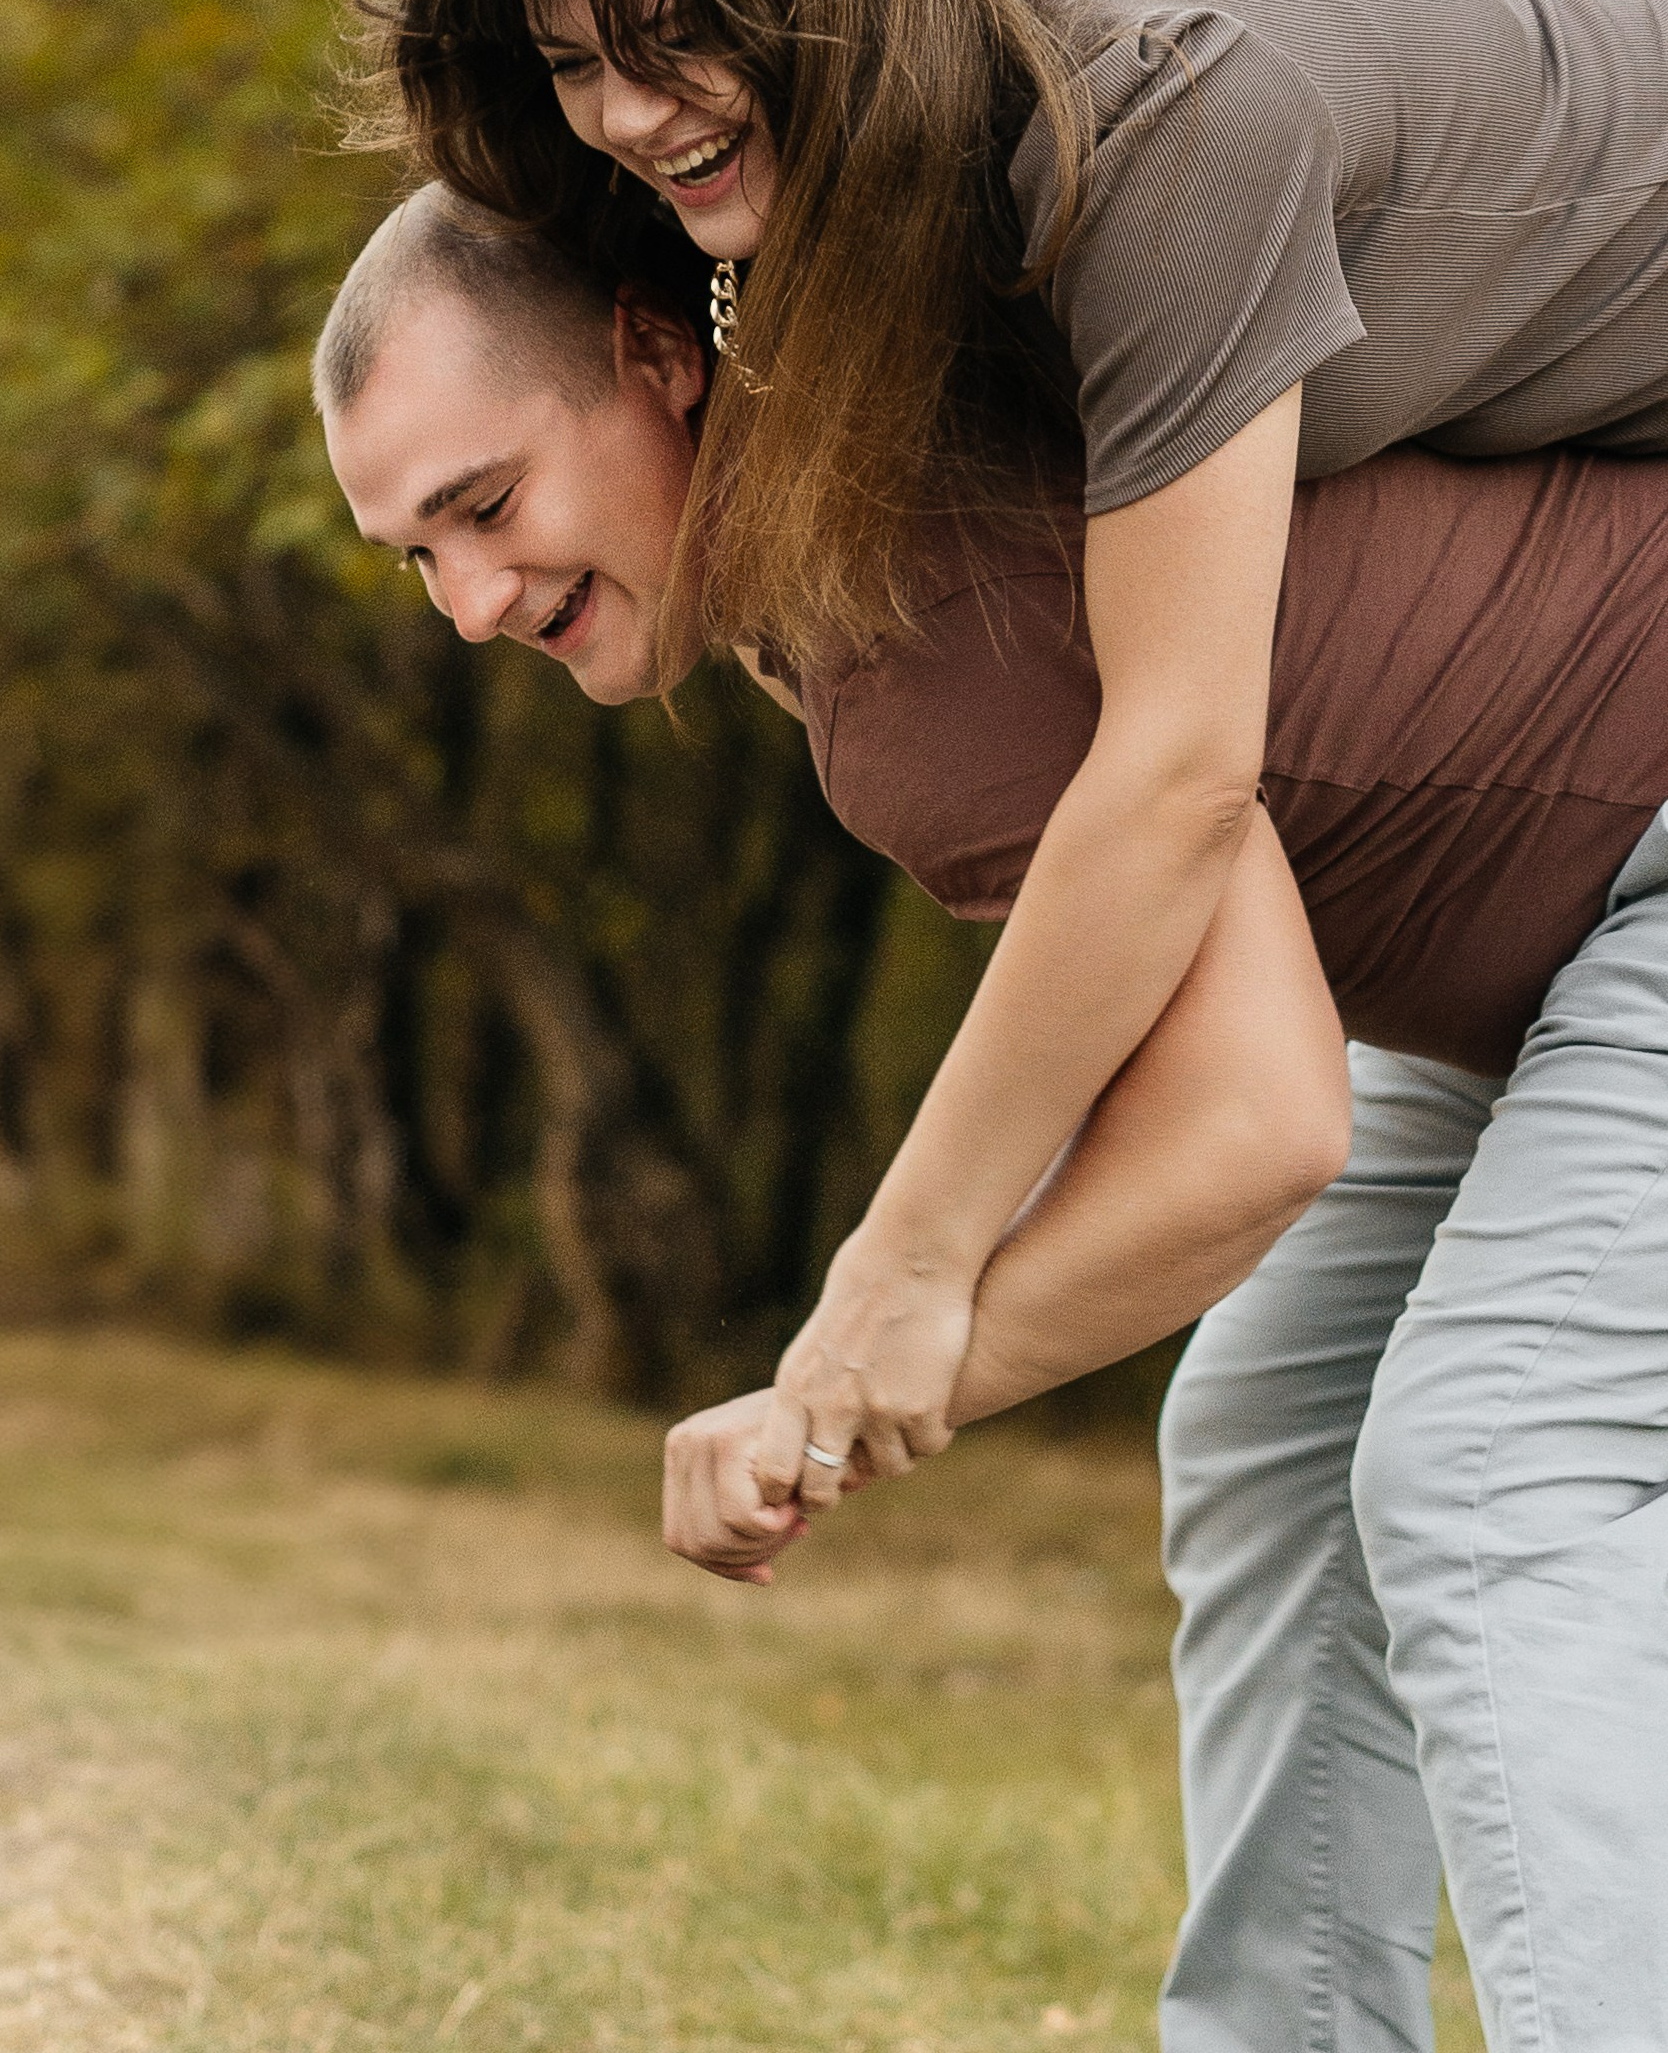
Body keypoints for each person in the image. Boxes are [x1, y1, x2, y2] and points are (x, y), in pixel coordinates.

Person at [317, 189, 1668, 2051]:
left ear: (653, 357)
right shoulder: (852, 549)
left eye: (486, 506)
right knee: (1275, 1430)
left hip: (1632, 885)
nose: (470, 606)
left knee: (1481, 1463)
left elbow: (1253, 1135)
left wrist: (836, 1399)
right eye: (415, 557)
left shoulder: (905, 625)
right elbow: (1195, 1054)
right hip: (1536, 963)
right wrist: (886, 1325)